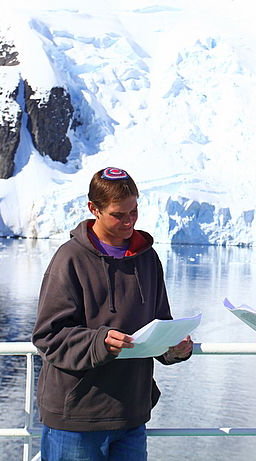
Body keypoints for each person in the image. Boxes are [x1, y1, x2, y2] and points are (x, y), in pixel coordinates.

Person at [33, 167, 193, 461]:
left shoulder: (147, 258)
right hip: (77, 417)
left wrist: (176, 348)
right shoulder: (70, 258)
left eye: (134, 211)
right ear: (94, 208)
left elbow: (159, 324)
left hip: (130, 414)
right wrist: (100, 342)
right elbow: (48, 336)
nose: (129, 221)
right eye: (119, 215)